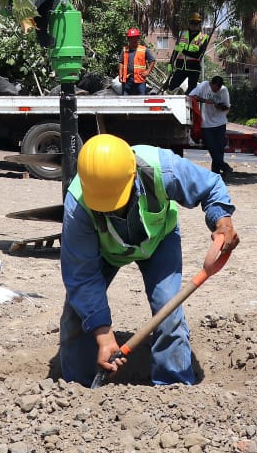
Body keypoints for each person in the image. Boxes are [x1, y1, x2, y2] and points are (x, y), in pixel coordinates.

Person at [58, 134, 239, 386]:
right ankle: (75, 389)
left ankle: (173, 388)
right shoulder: (77, 204)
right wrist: (104, 334)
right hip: (105, 250)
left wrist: (222, 222)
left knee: (168, 311)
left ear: (132, 175)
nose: (111, 210)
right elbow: (81, 275)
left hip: (159, 241)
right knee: (77, 317)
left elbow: (210, 186)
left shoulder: (162, 167)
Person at [190, 76, 233, 176]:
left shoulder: (223, 90)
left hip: (220, 123)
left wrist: (219, 106)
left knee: (219, 149)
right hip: (206, 124)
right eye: (215, 88)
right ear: (211, 84)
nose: (216, 90)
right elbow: (192, 96)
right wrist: (206, 101)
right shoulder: (204, 85)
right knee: (212, 148)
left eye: (218, 89)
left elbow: (227, 106)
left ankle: (216, 173)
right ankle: (224, 167)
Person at [166, 12, 211, 93]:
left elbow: (197, 55)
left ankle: (187, 104)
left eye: (196, 23)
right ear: (189, 23)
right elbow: (175, 50)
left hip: (194, 68)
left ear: (199, 24)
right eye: (192, 22)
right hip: (180, 66)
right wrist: (170, 63)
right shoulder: (182, 34)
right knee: (171, 88)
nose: (194, 25)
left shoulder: (203, 37)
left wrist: (182, 50)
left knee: (192, 91)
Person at [119, 27, 151, 95]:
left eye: (135, 37)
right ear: (128, 39)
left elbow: (152, 60)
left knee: (141, 100)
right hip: (127, 80)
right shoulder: (125, 50)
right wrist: (120, 75)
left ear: (138, 38)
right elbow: (121, 62)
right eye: (131, 38)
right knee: (125, 100)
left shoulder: (144, 49)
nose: (133, 39)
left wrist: (148, 71)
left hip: (140, 79)